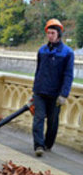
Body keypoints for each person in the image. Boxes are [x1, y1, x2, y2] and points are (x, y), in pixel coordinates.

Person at [31, 18, 74, 157]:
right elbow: (38, 72)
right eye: (48, 33)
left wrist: (64, 94)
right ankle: (38, 145)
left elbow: (68, 75)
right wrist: (33, 92)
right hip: (40, 91)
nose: (50, 35)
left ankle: (48, 144)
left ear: (59, 34)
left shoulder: (67, 53)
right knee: (38, 118)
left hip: (55, 94)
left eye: (53, 33)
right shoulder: (42, 51)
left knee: (53, 121)